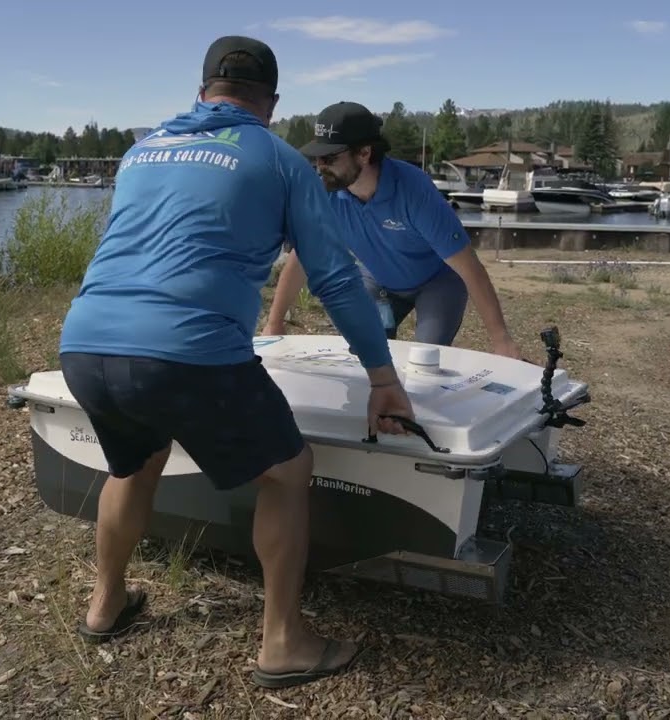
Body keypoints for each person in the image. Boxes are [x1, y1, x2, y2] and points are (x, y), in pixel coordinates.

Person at [56, 36, 415, 689]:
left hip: (86, 340)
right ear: (271, 106)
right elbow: (334, 280)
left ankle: (105, 604)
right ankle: (283, 643)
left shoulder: (141, 152)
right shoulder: (279, 161)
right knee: (287, 470)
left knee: (134, 464)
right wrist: (382, 378)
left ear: (201, 93)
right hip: (188, 350)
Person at [261, 101, 524, 360]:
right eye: (316, 158)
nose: (320, 167)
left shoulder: (414, 191)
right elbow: (301, 258)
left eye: (329, 158)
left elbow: (470, 268)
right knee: (363, 353)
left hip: (436, 282)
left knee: (424, 360)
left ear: (364, 153)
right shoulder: (325, 194)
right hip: (377, 281)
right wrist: (274, 323)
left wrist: (501, 340)